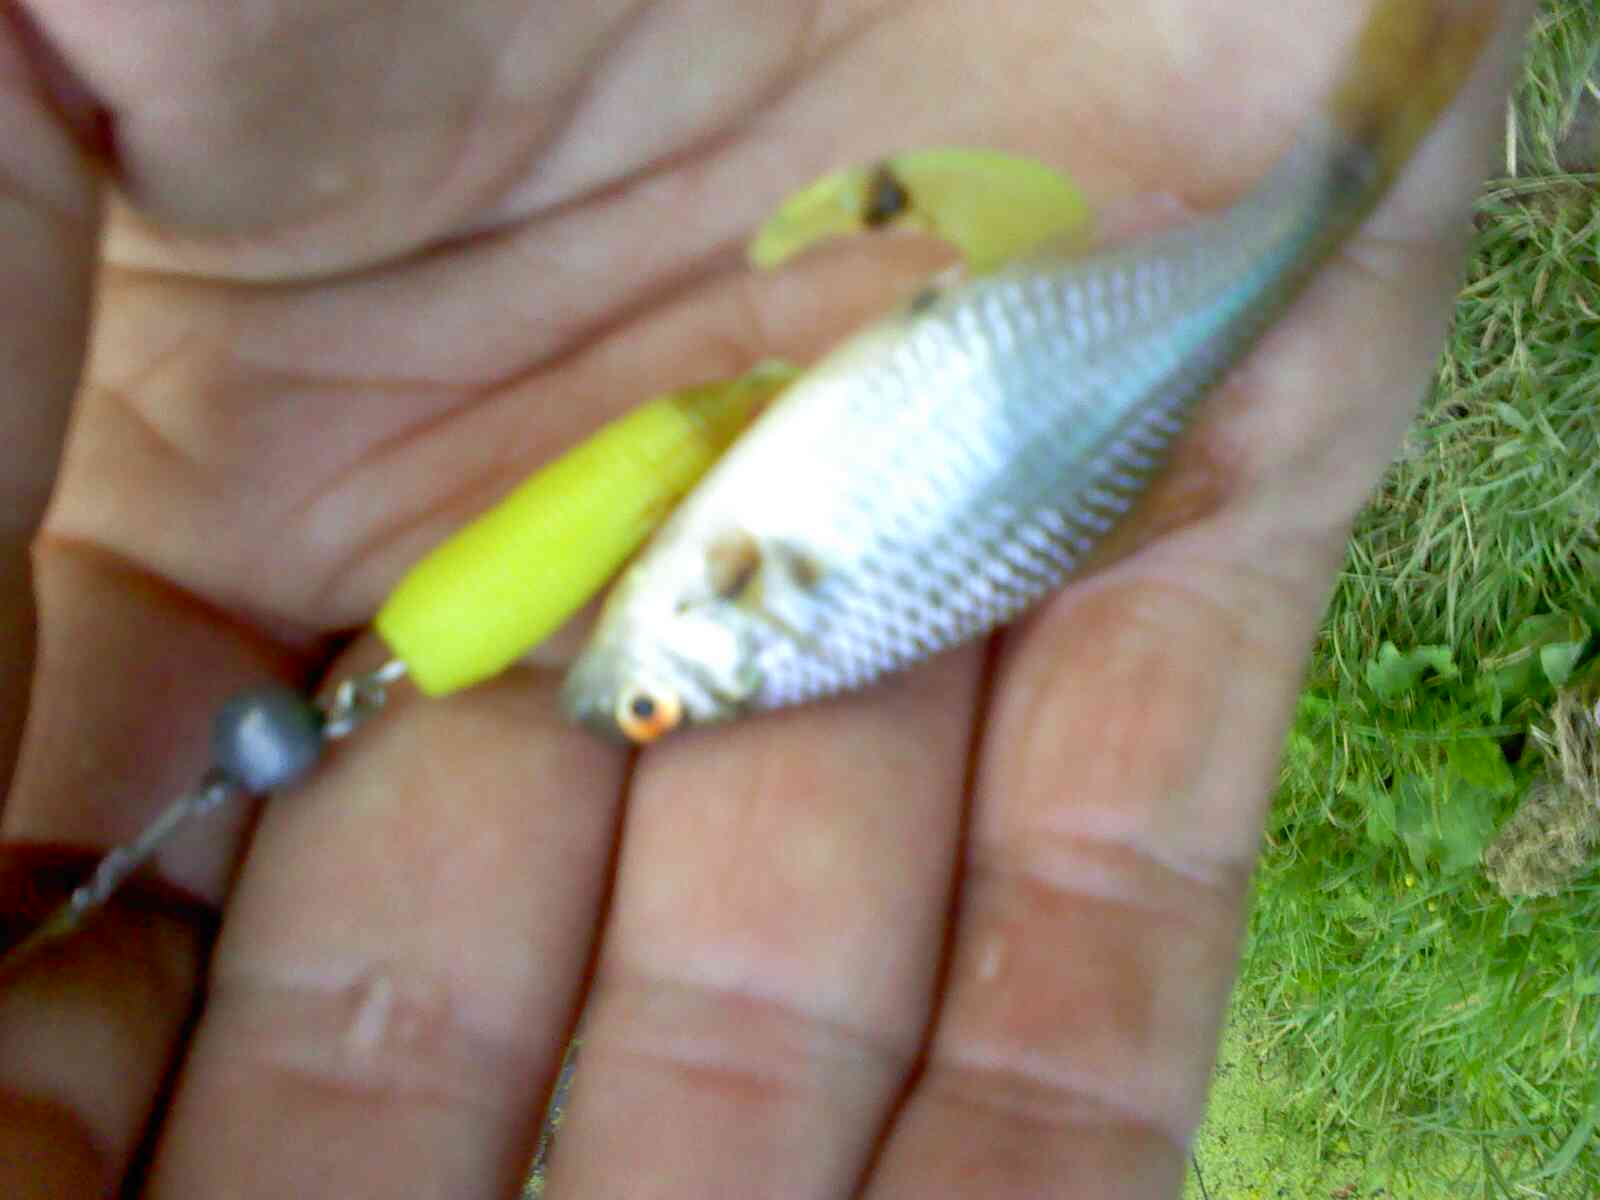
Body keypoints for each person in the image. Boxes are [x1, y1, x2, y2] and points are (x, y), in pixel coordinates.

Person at [0, 1, 1533, 1195]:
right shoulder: (738, 590)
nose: (621, 688)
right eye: (647, 698)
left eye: (645, 697)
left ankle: (1336, 167)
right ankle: (1333, 172)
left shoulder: (727, 585)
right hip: (1074, 369)